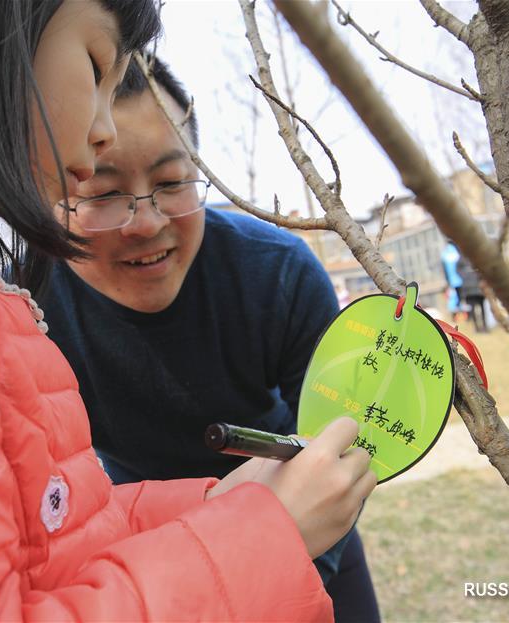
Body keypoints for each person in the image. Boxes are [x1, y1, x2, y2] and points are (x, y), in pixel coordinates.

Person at [0, 1, 377, 620]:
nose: (145, 220)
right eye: (94, 62)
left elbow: (57, 537)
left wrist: (233, 509)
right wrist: (263, 536)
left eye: (172, 182)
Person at [38, 58, 379, 620]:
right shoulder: (31, 309)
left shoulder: (278, 273)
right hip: (145, 553)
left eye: (171, 183)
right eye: (102, 194)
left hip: (304, 529)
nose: (145, 223)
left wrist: (287, 558)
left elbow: (341, 446)